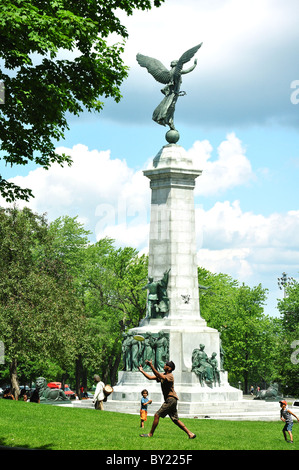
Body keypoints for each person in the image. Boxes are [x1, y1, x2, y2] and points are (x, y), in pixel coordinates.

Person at [138, 359, 196, 439]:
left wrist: (151, 366)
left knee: (157, 415)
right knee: (175, 420)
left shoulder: (170, 376)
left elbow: (159, 375)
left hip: (171, 400)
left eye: (166, 365)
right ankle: (190, 434)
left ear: (169, 368)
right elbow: (150, 377)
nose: (164, 366)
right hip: (171, 400)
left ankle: (150, 434)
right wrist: (142, 371)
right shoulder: (163, 375)